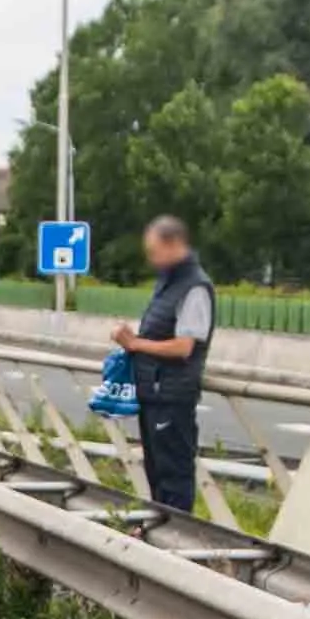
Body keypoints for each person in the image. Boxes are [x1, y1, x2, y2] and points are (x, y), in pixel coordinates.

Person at [109, 214, 212, 513]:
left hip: (172, 394)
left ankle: (176, 542)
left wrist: (136, 343)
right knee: (156, 472)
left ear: (173, 245)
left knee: (174, 474)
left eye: (154, 252)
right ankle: (158, 537)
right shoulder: (169, 283)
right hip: (153, 392)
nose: (151, 259)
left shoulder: (194, 287)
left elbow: (184, 346)